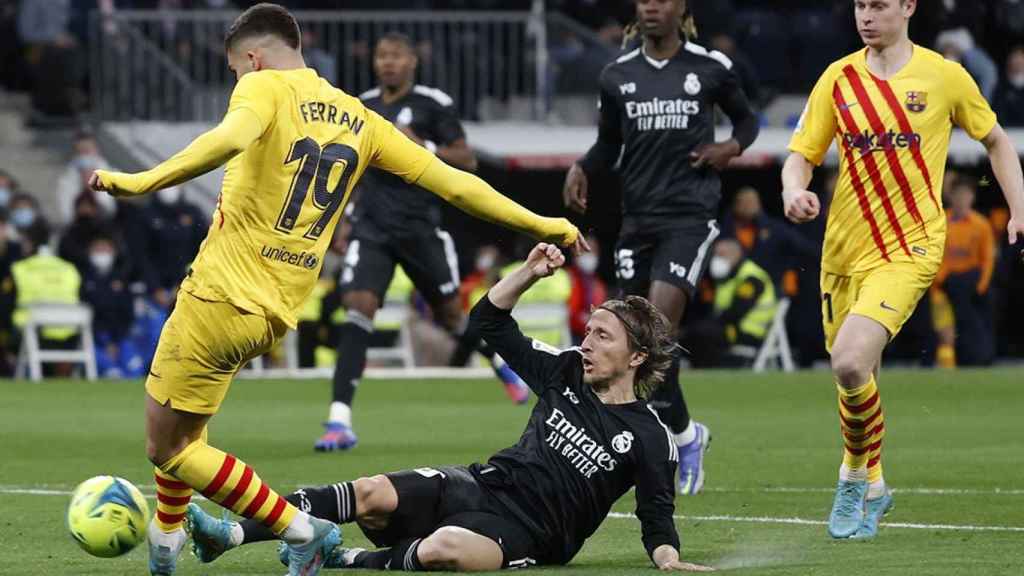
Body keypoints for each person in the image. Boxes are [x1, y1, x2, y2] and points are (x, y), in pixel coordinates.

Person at [87, 4, 583, 576]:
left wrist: (142, 181)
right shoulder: (359, 116)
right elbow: (454, 183)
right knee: (187, 427)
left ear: (253, 57)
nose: (237, 81)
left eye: (235, 71)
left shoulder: (263, 88)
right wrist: (542, 222)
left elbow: (228, 138)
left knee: (166, 446)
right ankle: (167, 542)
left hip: (220, 295)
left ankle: (302, 529)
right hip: (273, 312)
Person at [185, 242, 712, 573]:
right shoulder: (565, 369)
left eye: (602, 336)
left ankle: (342, 558)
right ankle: (228, 535)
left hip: (535, 533)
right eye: (589, 330)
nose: (587, 342)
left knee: (446, 549)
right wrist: (528, 273)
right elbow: (487, 323)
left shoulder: (649, 436)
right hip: (482, 485)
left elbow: (656, 518)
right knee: (368, 492)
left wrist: (668, 561)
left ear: (637, 356)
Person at [782, 0, 1024, 540]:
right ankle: (875, 484)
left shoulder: (943, 76)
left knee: (847, 363)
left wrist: (1018, 211)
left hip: (909, 247)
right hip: (842, 252)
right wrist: (793, 189)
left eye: (879, 5)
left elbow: (996, 140)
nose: (866, 16)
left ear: (908, 7)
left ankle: (851, 473)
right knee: (857, 375)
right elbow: (801, 152)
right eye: (859, 5)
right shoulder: (837, 78)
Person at [563, 0, 759, 495]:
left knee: (655, 325)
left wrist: (728, 149)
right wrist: (583, 165)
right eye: (644, 0)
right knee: (638, 341)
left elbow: (747, 123)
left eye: (662, 0)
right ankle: (687, 435)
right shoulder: (617, 75)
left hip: (689, 217)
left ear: (680, 9)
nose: (651, 6)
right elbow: (610, 144)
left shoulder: (710, 67)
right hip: (638, 220)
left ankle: (673, 439)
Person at [318, 32, 533, 453]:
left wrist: (425, 146)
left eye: (396, 56)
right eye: (381, 55)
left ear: (412, 61)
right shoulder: (362, 107)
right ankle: (338, 420)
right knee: (358, 309)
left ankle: (502, 364)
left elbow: (467, 159)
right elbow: (351, 167)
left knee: (452, 318)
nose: (388, 63)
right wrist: (341, 220)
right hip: (372, 228)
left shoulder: (433, 103)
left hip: (420, 229)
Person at [681, 238, 777, 367]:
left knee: (702, 333)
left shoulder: (752, 278)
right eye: (715, 255)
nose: (716, 259)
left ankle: (707, 369)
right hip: (730, 327)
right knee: (690, 331)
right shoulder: (726, 277)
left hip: (748, 332)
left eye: (721, 255)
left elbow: (737, 312)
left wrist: (710, 323)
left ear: (735, 255)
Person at [935, 177, 996, 366]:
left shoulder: (981, 224)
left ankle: (975, 360)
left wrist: (982, 285)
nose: (962, 199)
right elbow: (935, 254)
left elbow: (987, 259)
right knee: (945, 329)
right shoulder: (941, 222)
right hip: (945, 284)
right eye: (958, 194)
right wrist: (941, 279)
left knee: (972, 325)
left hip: (971, 284)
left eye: (966, 194)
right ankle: (946, 367)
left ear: (972, 197)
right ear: (951, 196)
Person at [567, 234, 608, 345]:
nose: (590, 255)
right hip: (569, 339)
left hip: (590, 339)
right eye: (586, 250)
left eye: (594, 251)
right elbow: (568, 314)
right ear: (575, 252)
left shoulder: (598, 284)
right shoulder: (566, 279)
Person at [993, 46, 1024, 128]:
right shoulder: (1001, 86)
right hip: (1007, 130)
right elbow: (997, 111)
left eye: (1020, 59)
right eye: (1015, 58)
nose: (1017, 62)